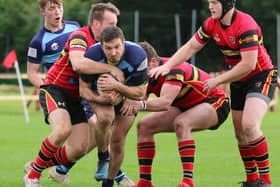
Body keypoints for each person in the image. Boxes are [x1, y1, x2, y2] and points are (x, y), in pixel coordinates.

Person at [149, 1, 277, 187]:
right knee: (240, 133)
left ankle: (265, 181)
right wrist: (167, 65)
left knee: (249, 125)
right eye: (209, 2)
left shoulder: (245, 25)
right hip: (238, 80)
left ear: (227, 4)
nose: (210, 6)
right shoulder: (210, 24)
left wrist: (218, 80)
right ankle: (251, 181)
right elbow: (191, 47)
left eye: (214, 2)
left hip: (261, 75)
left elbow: (248, 65)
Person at [23, 3, 132, 187]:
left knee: (79, 148)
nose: (115, 28)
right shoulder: (80, 36)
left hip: (77, 96)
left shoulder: (106, 45)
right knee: (62, 131)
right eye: (111, 23)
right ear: (96, 24)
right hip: (55, 88)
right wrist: (111, 69)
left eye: (116, 23)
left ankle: (38, 165)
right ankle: (33, 176)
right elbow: (78, 64)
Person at [122, 41, 229, 187]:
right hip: (184, 106)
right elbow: (137, 99)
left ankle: (187, 182)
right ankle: (145, 182)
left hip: (216, 102)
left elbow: (165, 102)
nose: (137, 70)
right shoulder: (146, 74)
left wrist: (139, 105)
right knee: (144, 126)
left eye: (141, 65)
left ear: (153, 61)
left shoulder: (172, 68)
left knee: (182, 122)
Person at [79, 26, 148, 187]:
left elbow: (140, 92)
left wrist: (117, 87)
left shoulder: (137, 55)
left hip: (129, 98)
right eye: (108, 48)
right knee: (104, 119)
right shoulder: (92, 54)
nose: (113, 52)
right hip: (100, 95)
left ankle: (108, 182)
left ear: (124, 43)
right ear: (101, 46)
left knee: (117, 141)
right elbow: (83, 89)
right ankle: (103, 156)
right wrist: (101, 99)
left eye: (117, 47)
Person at [26, 0, 80, 111]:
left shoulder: (75, 27)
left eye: (59, 7)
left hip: (82, 88)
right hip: (61, 93)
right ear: (42, 11)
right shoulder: (37, 42)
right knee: (64, 128)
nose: (57, 12)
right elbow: (31, 73)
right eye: (51, 8)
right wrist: (48, 90)